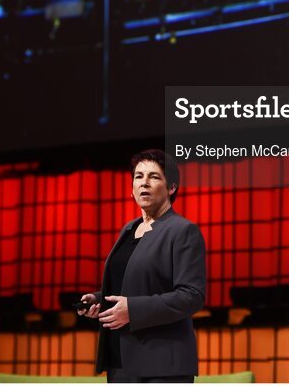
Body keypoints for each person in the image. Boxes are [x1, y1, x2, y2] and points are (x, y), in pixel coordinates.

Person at [78, 149, 206, 384]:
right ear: (131, 188)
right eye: (138, 176)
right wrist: (100, 299)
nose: (144, 182)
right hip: (120, 360)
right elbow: (132, 286)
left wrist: (133, 310)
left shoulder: (182, 231)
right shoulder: (128, 230)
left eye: (154, 177)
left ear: (171, 188)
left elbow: (192, 296)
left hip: (161, 365)